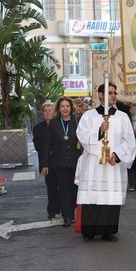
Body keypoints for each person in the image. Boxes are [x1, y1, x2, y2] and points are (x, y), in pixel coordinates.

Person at [75, 82, 136, 242]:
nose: (113, 95)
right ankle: (89, 231)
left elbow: (129, 141)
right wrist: (99, 131)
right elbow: (81, 135)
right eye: (109, 92)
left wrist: (117, 155)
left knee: (110, 197)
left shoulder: (122, 117)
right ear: (100, 95)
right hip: (94, 165)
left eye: (114, 92)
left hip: (113, 166)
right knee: (93, 196)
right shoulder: (89, 116)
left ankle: (108, 231)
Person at [41, 97, 82, 226]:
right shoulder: (54, 123)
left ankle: (71, 211)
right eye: (62, 106)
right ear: (59, 108)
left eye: (67, 106)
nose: (65, 109)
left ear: (71, 108)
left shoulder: (77, 121)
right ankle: (67, 216)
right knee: (63, 189)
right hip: (58, 163)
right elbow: (47, 145)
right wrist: (44, 164)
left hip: (75, 162)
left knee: (73, 189)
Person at [33, 101, 56, 216]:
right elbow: (38, 147)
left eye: (50, 110)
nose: (48, 113)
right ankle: (51, 210)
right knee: (51, 187)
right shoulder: (37, 128)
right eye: (45, 111)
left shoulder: (58, 125)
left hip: (60, 161)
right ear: (42, 113)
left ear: (54, 112)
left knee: (62, 187)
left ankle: (63, 210)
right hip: (46, 162)